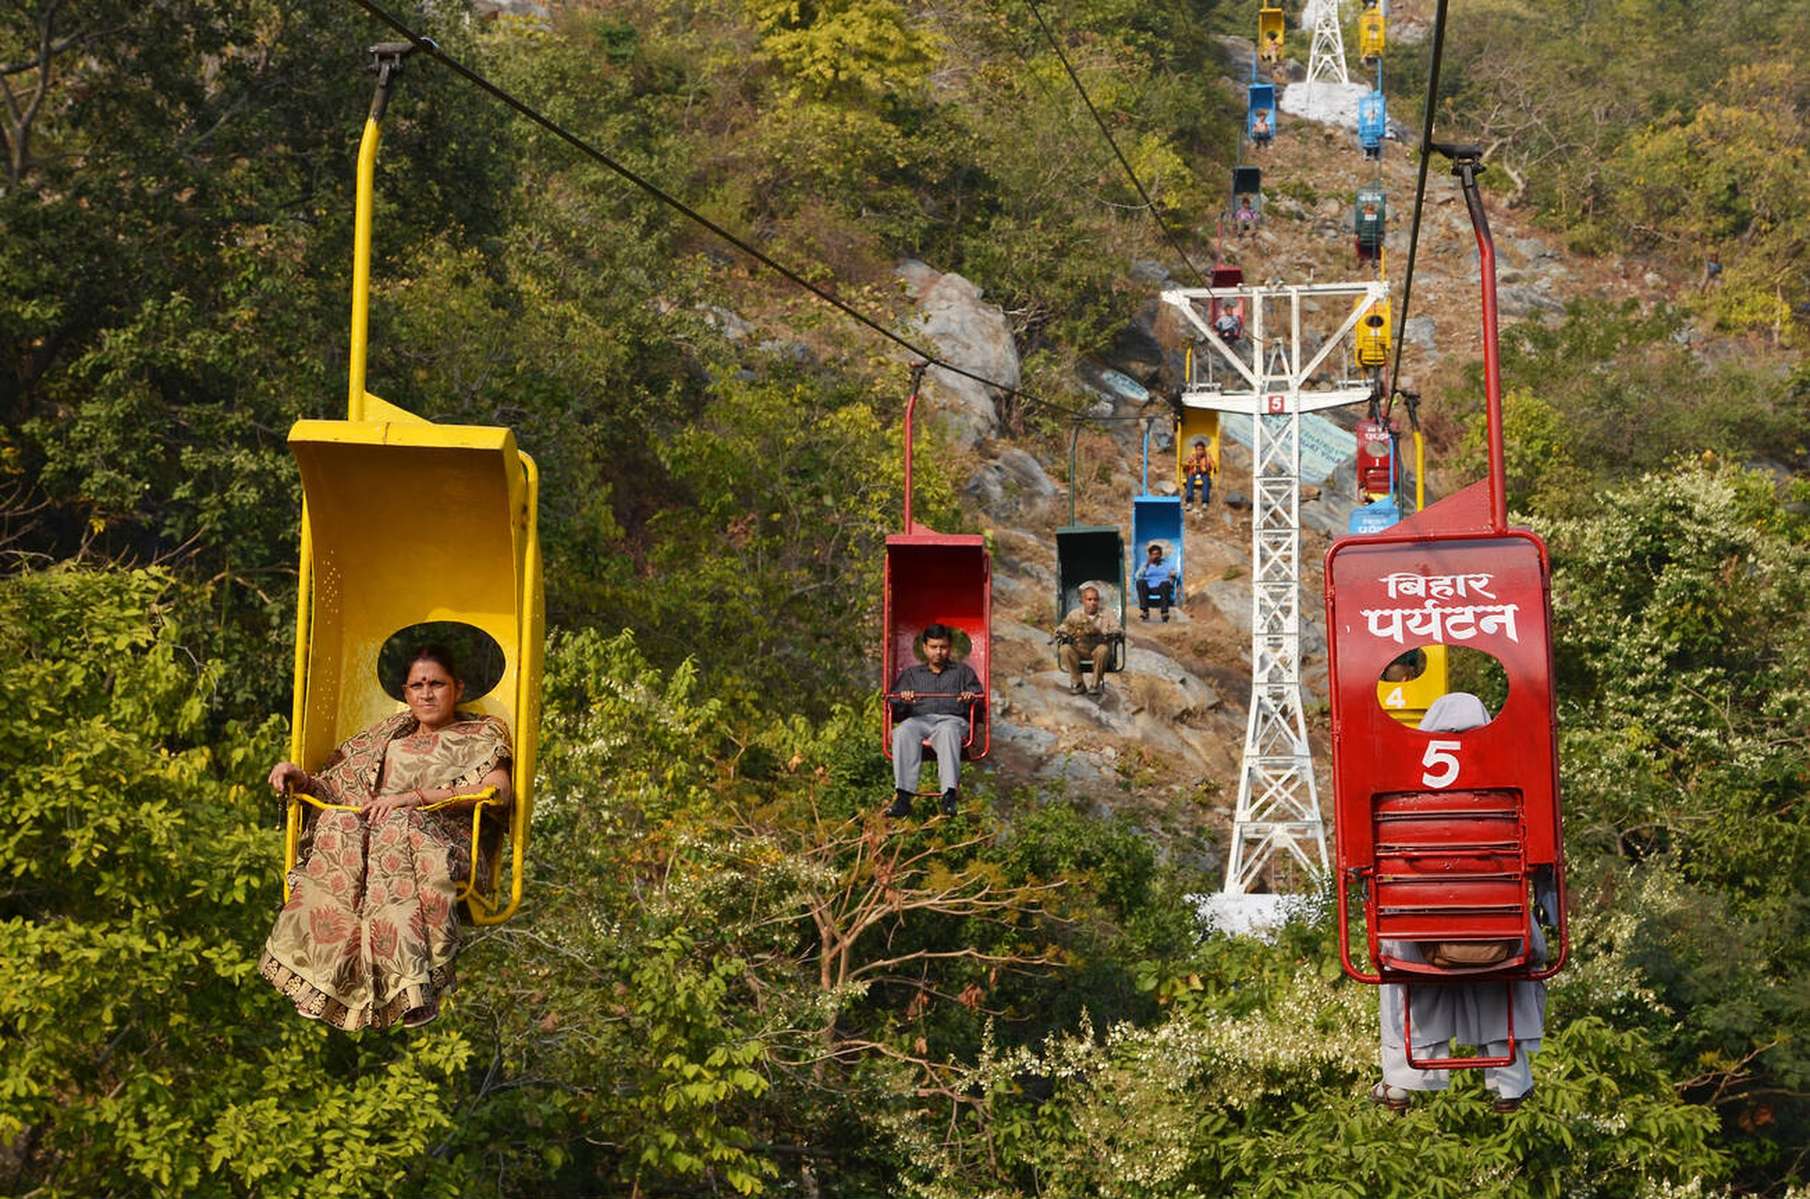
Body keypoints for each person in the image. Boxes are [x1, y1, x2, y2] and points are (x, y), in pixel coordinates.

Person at [261, 645, 513, 1030]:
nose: (426, 694)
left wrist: (416, 799)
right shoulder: (387, 735)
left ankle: (414, 987)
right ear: (406, 693)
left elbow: (498, 791)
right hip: (374, 836)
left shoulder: (481, 733)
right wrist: (298, 777)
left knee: (396, 827)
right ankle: (321, 980)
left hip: (442, 839)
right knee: (339, 825)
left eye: (437, 684)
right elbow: (338, 788)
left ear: (457, 688)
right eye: (417, 686)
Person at [1372, 692, 1552, 1114]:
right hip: (1499, 931)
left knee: (1399, 952)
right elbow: (1545, 862)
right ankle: (1511, 1080)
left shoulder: (1401, 792)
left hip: (1419, 933)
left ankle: (1401, 1078)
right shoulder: (1512, 786)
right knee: (1521, 946)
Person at [885, 624, 983, 819]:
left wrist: (969, 697)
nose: (938, 652)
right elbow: (894, 707)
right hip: (920, 720)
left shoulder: (963, 673)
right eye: (934, 647)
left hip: (952, 720)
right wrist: (904, 699)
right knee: (903, 731)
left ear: (950, 647)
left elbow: (980, 705)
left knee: (947, 731)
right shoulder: (911, 675)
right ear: (925, 648)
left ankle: (949, 795)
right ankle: (903, 796)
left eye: (943, 647)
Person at [1055, 584, 1118, 696]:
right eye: (1089, 599)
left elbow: (1118, 630)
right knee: (1064, 649)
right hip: (1080, 649)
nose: (1093, 602)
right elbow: (1063, 627)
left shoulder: (1107, 614)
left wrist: (1104, 633)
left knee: (1103, 650)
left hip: (1098, 649)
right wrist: (1064, 632)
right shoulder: (1075, 614)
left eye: (1095, 599)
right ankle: (1078, 682)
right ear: (1083, 601)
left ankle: (1095, 684)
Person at [1135, 542, 1178, 622]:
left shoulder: (1166, 565)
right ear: (1150, 555)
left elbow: (1175, 573)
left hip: (1161, 587)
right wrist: (1147, 565)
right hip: (1149, 587)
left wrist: (1173, 575)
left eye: (1157, 554)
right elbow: (1137, 576)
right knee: (1140, 582)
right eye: (1153, 554)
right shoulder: (1145, 565)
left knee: (1165, 584)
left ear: (1160, 555)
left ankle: (1164, 612)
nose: (1156, 556)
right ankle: (1145, 611)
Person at [1183, 439, 1216, 510]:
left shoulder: (1207, 457)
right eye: (1198, 449)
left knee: (1206, 480)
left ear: (1204, 450)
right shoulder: (1192, 456)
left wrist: (1208, 465)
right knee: (1190, 479)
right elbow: (1186, 463)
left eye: (1201, 449)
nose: (1199, 451)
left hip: (1203, 473)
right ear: (1195, 450)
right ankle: (1189, 501)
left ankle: (1205, 502)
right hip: (1194, 472)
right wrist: (1188, 463)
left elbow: (1213, 464)